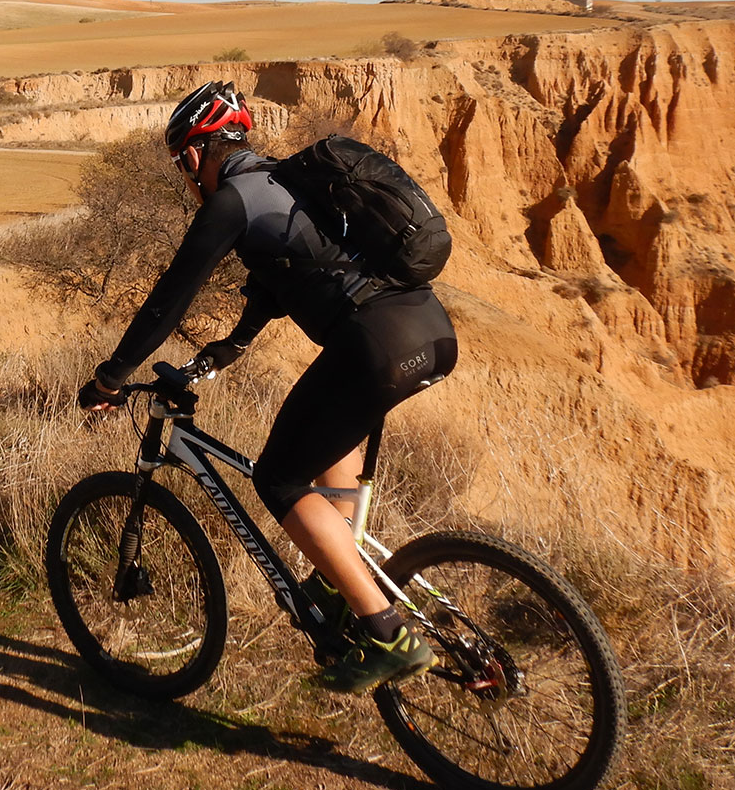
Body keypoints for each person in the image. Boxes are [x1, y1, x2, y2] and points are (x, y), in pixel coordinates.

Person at [75, 80, 457, 693]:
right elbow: (265, 305)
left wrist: (111, 377)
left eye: (182, 162)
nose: (184, 174)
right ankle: (340, 581)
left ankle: (387, 633)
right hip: (430, 335)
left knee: (277, 476)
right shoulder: (290, 188)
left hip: (373, 347)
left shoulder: (232, 201)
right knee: (329, 445)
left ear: (196, 152)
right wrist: (209, 362)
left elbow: (168, 301)